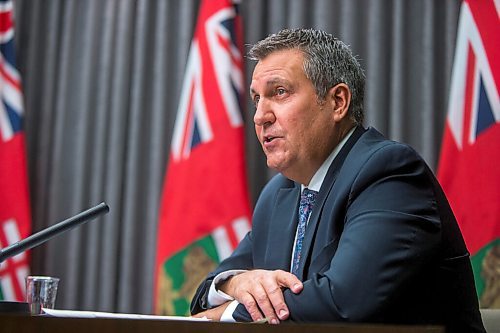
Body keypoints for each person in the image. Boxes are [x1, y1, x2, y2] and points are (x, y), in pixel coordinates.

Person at [190, 28, 485, 332]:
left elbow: (341, 304)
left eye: (279, 92)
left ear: (337, 102)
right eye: (256, 99)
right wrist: (237, 283)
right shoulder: (279, 194)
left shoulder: (389, 174)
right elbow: (205, 294)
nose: (260, 115)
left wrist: (228, 314)